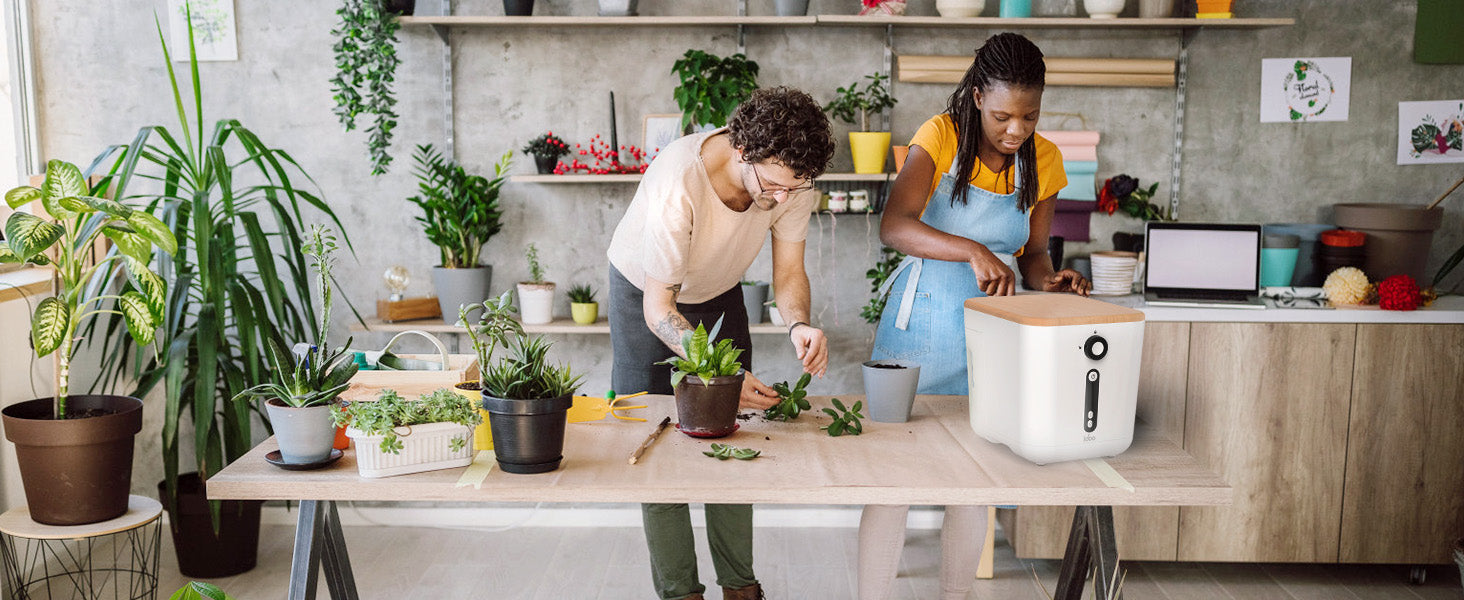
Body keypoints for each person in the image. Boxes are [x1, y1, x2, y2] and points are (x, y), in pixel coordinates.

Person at [857, 33, 1092, 600]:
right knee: (894, 481)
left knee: (975, 480)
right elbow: (895, 226)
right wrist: (970, 248)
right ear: (978, 94)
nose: (1016, 130)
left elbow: (1033, 253)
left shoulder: (1044, 159)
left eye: (1029, 117)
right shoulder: (939, 137)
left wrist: (1051, 279)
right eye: (1003, 116)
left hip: (994, 336)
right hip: (921, 329)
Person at [606, 86, 836, 600]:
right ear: (741, 149)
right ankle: (680, 591)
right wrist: (719, 371)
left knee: (733, 427)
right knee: (658, 435)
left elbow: (790, 272)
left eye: (794, 190)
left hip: (717, 286)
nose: (782, 199)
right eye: (774, 186)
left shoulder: (791, 183)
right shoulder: (678, 181)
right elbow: (659, 309)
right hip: (646, 291)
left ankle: (740, 587)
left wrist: (798, 323)